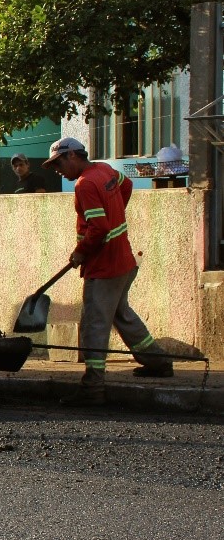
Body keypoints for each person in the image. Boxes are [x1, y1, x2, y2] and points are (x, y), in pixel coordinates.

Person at [43, 137, 173, 404]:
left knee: (95, 324)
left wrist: (81, 252)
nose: (57, 170)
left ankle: (93, 388)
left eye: (58, 163)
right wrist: (115, 214)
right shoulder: (104, 170)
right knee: (121, 315)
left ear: (73, 156)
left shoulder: (85, 184)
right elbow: (127, 186)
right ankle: (158, 362)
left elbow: (99, 228)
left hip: (104, 267)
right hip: (122, 260)